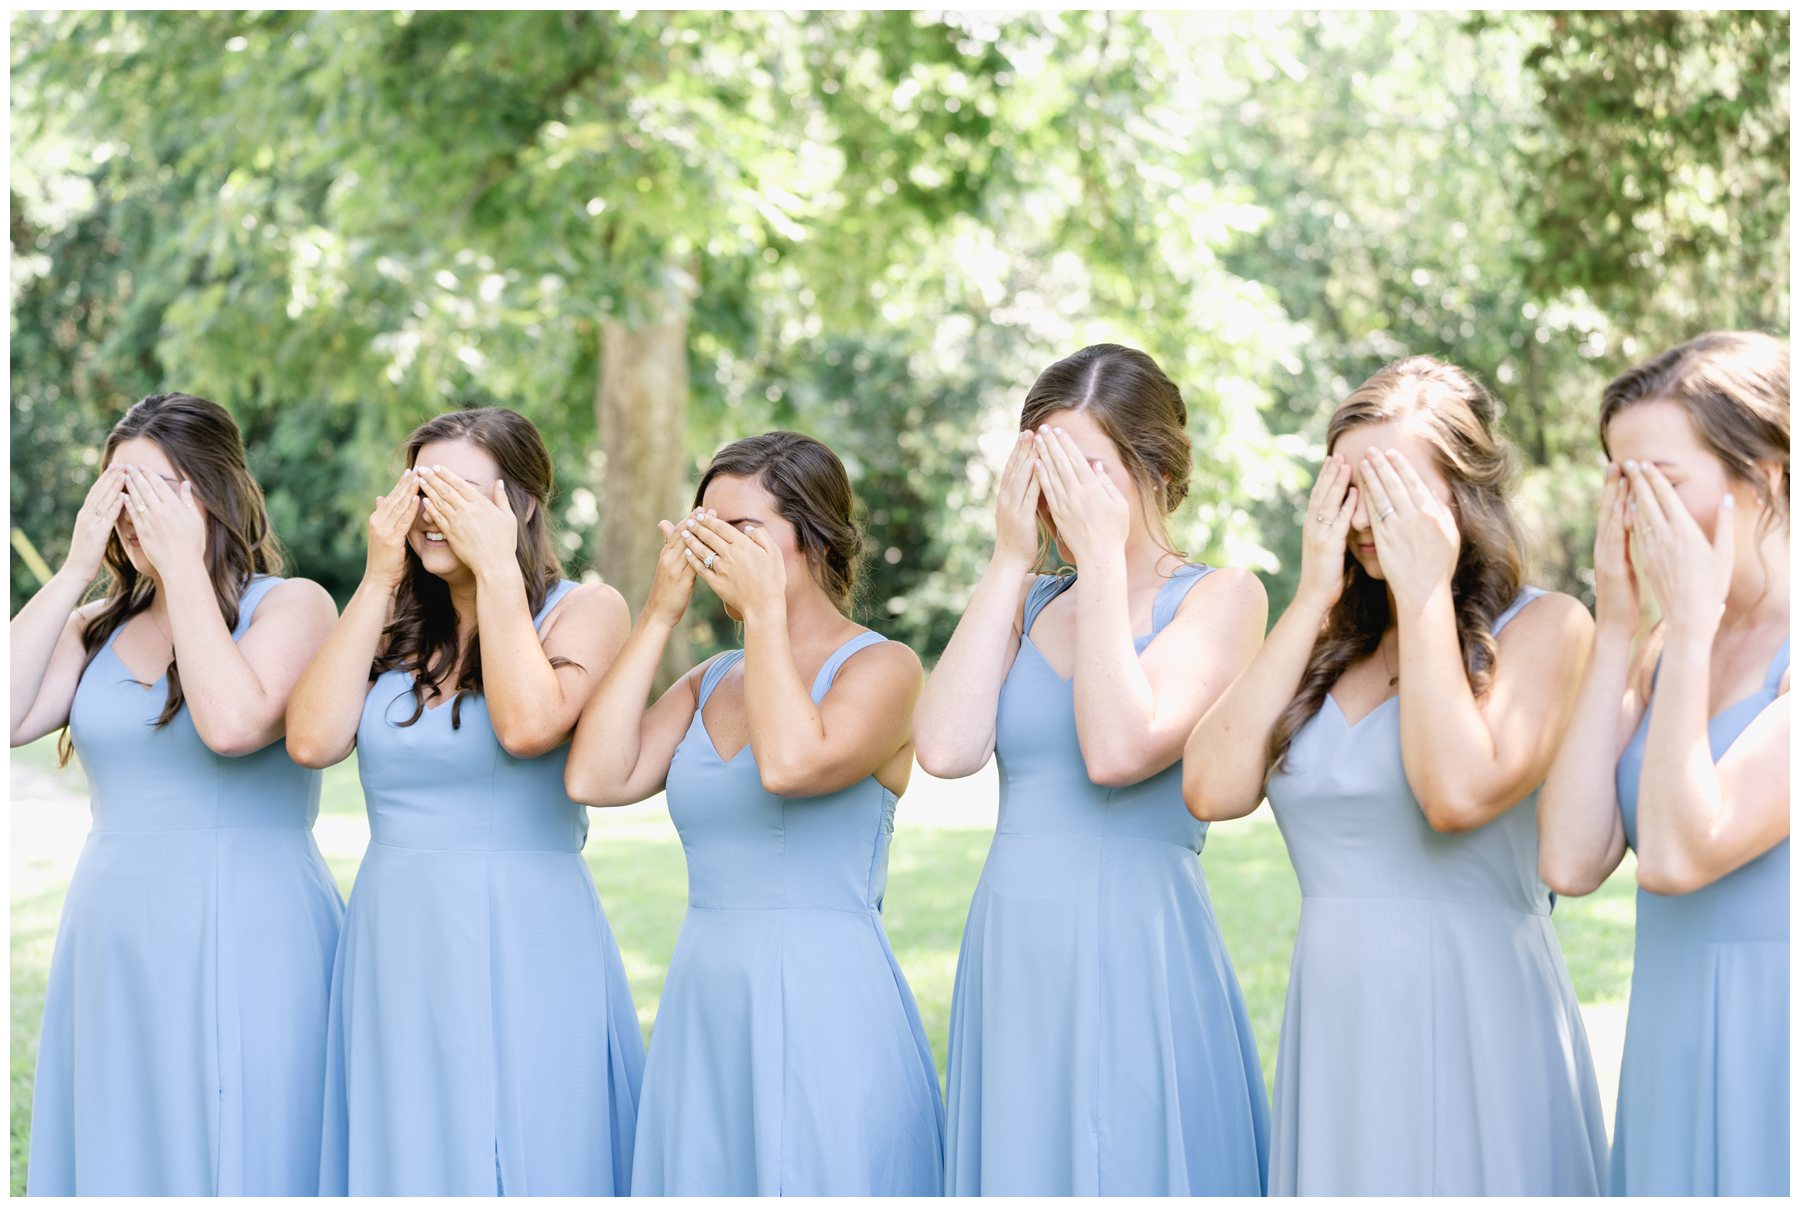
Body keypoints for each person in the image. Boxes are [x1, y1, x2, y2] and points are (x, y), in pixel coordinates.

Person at [1185, 355, 1608, 1194]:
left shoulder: (1548, 628)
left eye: (1394, 487)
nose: (1367, 514)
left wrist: (1422, 600)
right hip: (1338, 1015)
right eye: (1348, 487)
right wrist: (1310, 597)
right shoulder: (1326, 643)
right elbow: (1212, 789)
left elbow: (1453, 795)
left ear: (1463, 494)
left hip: (1479, 1005)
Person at [915, 344, 1270, 1195]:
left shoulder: (1222, 597)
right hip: (1014, 939)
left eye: (1089, 467)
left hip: (1137, 934)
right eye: (1046, 464)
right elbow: (945, 748)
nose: (1065, 491)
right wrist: (1009, 559)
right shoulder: (1029, 597)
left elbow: (1118, 748)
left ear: (1153, 468)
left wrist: (1108, 563)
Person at [566, 431, 944, 1195]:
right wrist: (660, 615)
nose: (713, 547)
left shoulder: (883, 667)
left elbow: (791, 762)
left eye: (741, 530)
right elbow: (596, 774)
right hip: (705, 994)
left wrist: (765, 618)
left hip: (826, 990)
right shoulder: (711, 680)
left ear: (811, 537)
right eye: (703, 526)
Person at [288, 406, 642, 1195]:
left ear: (519, 505)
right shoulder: (392, 626)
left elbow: (528, 727)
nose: (434, 514)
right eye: (421, 491)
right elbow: (311, 742)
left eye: (461, 494)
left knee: (529, 1136)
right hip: (395, 929)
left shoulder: (587, 610)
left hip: (526, 923)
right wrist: (379, 578)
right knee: (410, 1142)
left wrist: (499, 575)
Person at [12, 392, 343, 1195]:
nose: (132, 510)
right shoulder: (94, 628)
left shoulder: (294, 606)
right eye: (114, 490)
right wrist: (74, 569)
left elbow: (230, 723)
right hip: (115, 928)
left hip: (254, 921)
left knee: (253, 1139)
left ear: (212, 490)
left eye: (153, 487)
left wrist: (187, 569)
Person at [1538, 332, 1789, 1195]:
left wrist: (1685, 632)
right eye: (1619, 478)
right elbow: (1570, 860)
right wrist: (1617, 627)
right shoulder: (1658, 649)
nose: (1634, 505)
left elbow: (1682, 854)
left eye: (1662, 479)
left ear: (1768, 477)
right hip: (1670, 1031)